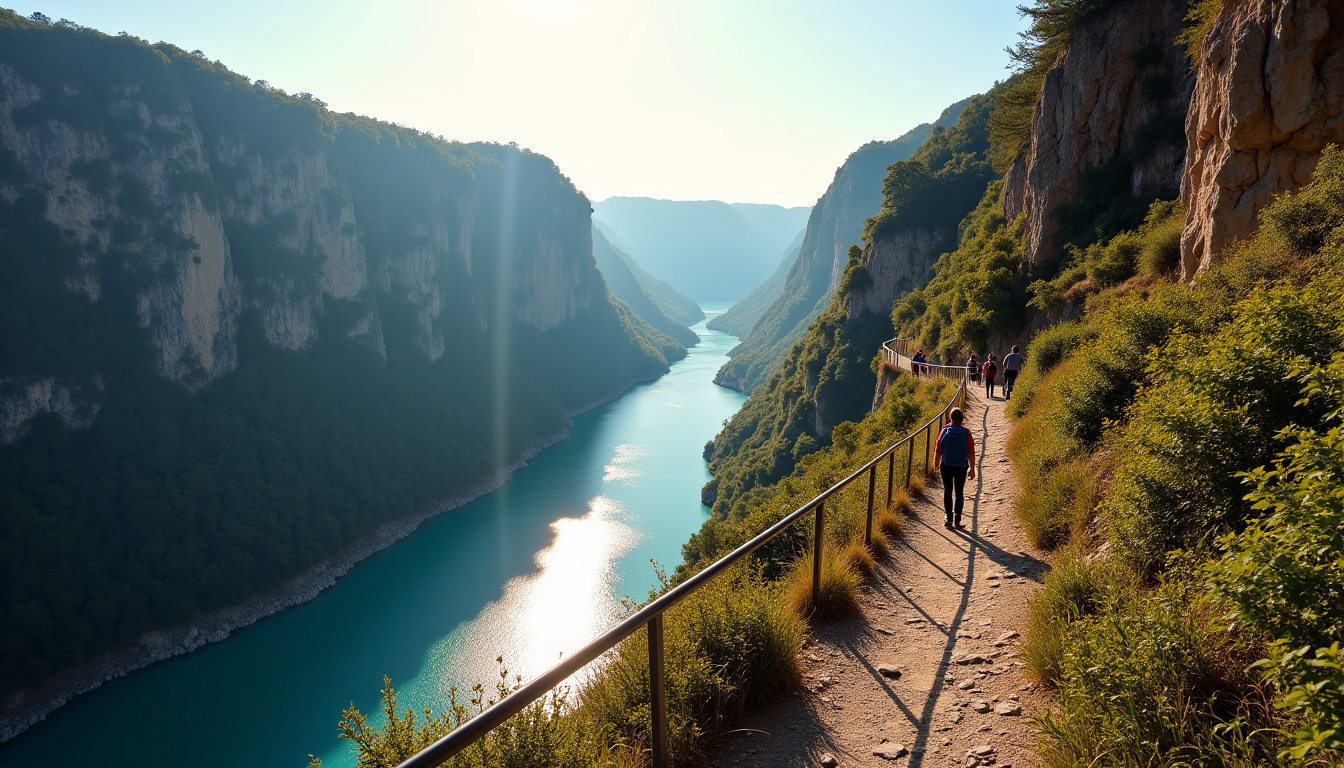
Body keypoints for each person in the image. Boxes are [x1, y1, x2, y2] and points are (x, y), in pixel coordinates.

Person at [934, 407, 975, 529]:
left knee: (948, 490)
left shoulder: (945, 431)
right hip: (961, 466)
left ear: (950, 418)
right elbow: (971, 453)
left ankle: (948, 517)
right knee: (959, 492)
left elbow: (938, 451)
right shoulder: (966, 433)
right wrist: (972, 469)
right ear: (962, 419)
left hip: (946, 465)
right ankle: (957, 519)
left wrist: (935, 465)